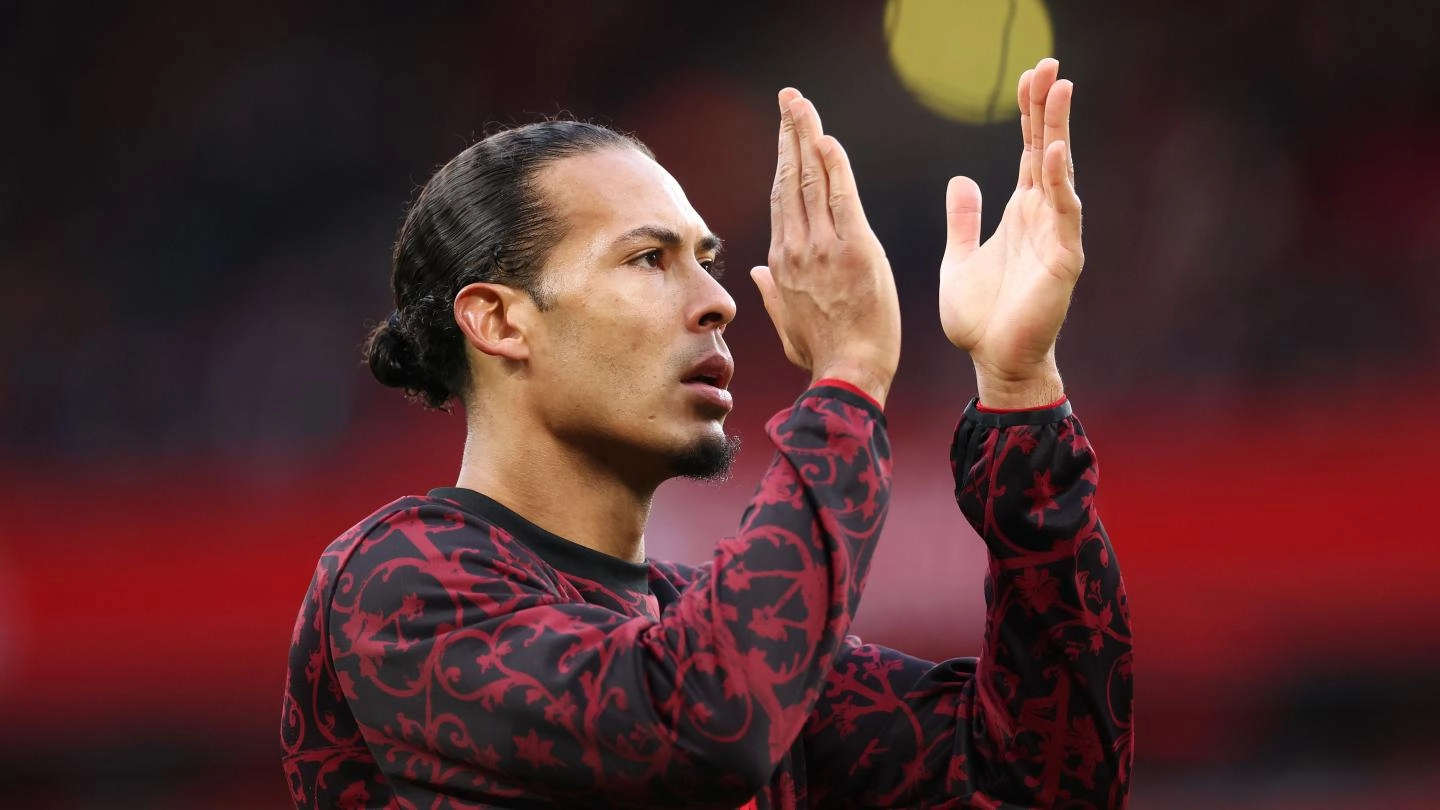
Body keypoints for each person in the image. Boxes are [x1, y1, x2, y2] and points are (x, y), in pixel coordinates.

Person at [282, 57, 1132, 809]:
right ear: (500, 321)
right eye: (649, 259)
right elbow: (708, 726)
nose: (719, 301)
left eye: (708, 261)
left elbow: (1042, 781)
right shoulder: (396, 586)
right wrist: (848, 376)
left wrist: (1020, 395)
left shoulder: (703, 623)